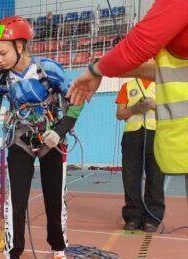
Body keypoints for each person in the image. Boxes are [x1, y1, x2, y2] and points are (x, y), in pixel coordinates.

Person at [0, 16, 85, 259]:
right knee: (14, 201)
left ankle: (59, 255)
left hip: (52, 140)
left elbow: (77, 100)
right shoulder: (3, 79)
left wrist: (60, 131)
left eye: (3, 53)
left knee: (55, 199)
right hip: (20, 141)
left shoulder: (48, 69)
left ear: (20, 45)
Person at [69, 0, 188, 175]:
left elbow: (139, 44)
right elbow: (163, 71)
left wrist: (97, 69)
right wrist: (100, 69)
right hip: (141, 137)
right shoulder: (128, 87)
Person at [115, 79, 165, 232]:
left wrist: (154, 105)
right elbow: (120, 114)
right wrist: (134, 108)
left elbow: (171, 111)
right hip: (132, 137)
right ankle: (133, 217)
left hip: (156, 135)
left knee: (155, 177)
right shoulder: (127, 86)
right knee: (130, 178)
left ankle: (152, 218)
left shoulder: (162, 85)